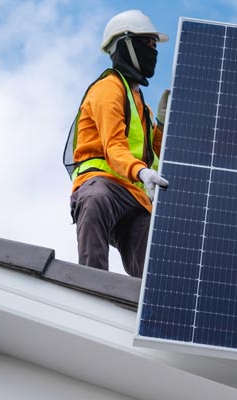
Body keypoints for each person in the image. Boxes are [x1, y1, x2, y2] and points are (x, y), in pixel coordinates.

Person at [63, 9, 171, 278]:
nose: (153, 51)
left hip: (135, 197)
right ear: (125, 45)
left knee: (152, 252)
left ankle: (147, 311)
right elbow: (114, 147)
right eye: (147, 43)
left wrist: (162, 125)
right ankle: (92, 286)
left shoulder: (141, 106)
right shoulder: (108, 88)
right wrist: (140, 172)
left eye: (154, 45)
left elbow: (152, 156)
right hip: (104, 185)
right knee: (95, 199)